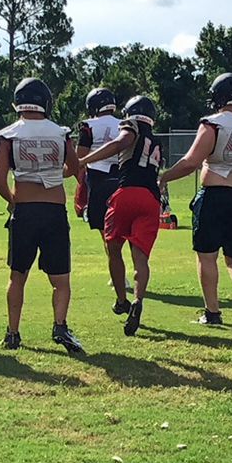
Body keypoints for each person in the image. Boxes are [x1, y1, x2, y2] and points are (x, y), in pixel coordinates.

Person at [160, 73, 232, 327]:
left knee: (207, 255)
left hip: (214, 195)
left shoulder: (213, 123)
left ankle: (212, 313)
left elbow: (191, 162)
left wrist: (165, 177)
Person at [0, 77, 84, 353]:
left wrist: (13, 200)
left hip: (25, 210)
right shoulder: (60, 132)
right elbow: (76, 168)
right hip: (54, 210)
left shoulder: (9, 134)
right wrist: (55, 174)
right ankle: (60, 326)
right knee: (61, 279)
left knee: (18, 275)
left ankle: (13, 333)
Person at [78, 95, 164, 336]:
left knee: (113, 248)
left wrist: (85, 160)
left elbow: (120, 143)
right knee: (141, 258)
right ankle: (137, 300)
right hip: (151, 200)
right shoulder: (156, 140)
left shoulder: (131, 126)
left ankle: (121, 300)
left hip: (126, 193)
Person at [72, 87, 131, 295]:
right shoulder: (125, 124)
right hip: (123, 178)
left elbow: (79, 157)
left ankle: (119, 274)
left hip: (99, 181)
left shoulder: (89, 126)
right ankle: (127, 273)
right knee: (125, 229)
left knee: (106, 232)